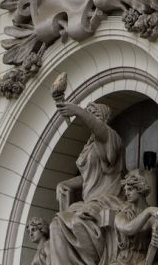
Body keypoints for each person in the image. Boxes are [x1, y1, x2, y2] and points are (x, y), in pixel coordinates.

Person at [46, 98, 125, 265]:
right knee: (56, 224)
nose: (90, 117)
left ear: (103, 118)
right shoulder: (89, 147)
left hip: (106, 201)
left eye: (94, 114)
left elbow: (99, 130)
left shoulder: (110, 138)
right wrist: (66, 184)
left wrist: (79, 111)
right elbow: (87, 177)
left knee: (78, 221)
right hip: (88, 202)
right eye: (89, 114)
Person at [108, 171, 158, 265]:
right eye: (125, 190)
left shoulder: (154, 217)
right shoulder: (121, 215)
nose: (126, 193)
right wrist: (148, 211)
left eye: (130, 189)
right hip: (123, 261)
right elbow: (129, 229)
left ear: (140, 189)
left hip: (144, 260)